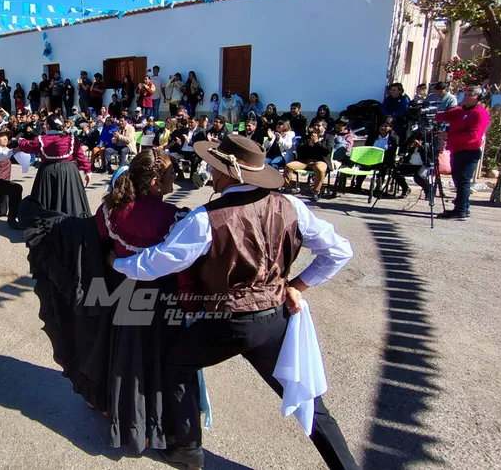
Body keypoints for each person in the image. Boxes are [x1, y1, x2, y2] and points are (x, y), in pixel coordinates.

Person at [111, 134, 357, 470]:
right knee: (308, 396)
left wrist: (116, 263)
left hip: (228, 322)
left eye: (214, 167)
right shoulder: (291, 206)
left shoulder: (205, 219)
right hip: (274, 318)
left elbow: (155, 264)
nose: (210, 173)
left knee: (176, 361)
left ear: (229, 173)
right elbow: (340, 251)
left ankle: (187, 451)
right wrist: (297, 285)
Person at [89, 148, 185, 452]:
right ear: (155, 182)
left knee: (126, 357)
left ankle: (120, 413)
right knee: (156, 360)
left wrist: (115, 259)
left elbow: (99, 239)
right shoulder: (173, 217)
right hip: (161, 297)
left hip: (123, 293)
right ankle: (152, 426)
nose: (176, 178)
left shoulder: (111, 209)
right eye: (172, 175)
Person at [16, 115, 92, 217]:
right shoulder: (71, 138)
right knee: (70, 199)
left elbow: (29, 147)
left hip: (48, 171)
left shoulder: (41, 139)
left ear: (48, 126)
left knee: (47, 200)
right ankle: (72, 224)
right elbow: (80, 155)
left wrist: (20, 140)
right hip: (68, 172)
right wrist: (87, 171)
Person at [434, 85, 490, 220]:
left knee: (463, 181)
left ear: (478, 98)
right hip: (457, 150)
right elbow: (445, 116)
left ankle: (460, 210)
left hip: (469, 151)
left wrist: (448, 135)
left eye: (470, 95)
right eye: (466, 94)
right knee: (458, 179)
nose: (465, 97)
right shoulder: (460, 111)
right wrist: (429, 114)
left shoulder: (479, 113)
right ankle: (464, 207)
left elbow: (473, 136)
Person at [283, 119, 333, 201]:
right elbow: (300, 149)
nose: (315, 127)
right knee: (289, 166)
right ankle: (287, 188)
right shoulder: (307, 136)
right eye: (314, 126)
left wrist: (317, 142)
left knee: (321, 169)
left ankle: (315, 192)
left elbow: (328, 150)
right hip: (305, 161)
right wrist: (309, 142)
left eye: (318, 125)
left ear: (324, 128)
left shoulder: (329, 137)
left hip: (320, 161)